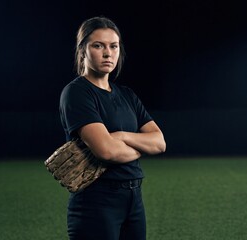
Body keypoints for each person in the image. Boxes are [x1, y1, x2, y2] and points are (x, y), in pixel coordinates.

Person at [59, 16, 166, 240]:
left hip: (134, 198)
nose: (108, 53)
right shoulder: (77, 93)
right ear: (83, 50)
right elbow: (106, 151)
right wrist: (140, 146)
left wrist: (120, 136)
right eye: (98, 46)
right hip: (96, 201)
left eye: (113, 46)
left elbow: (159, 142)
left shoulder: (127, 95)